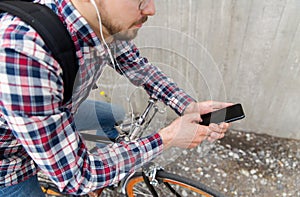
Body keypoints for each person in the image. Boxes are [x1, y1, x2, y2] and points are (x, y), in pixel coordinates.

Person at [0, 0, 232, 196]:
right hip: (10, 162)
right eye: (139, 0)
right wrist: (167, 137)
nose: (151, 9)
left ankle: (99, 165)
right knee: (74, 177)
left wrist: (188, 106)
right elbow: (77, 176)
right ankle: (85, 166)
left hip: (58, 109)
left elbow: (138, 67)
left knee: (112, 116)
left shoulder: (101, 23)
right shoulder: (24, 54)